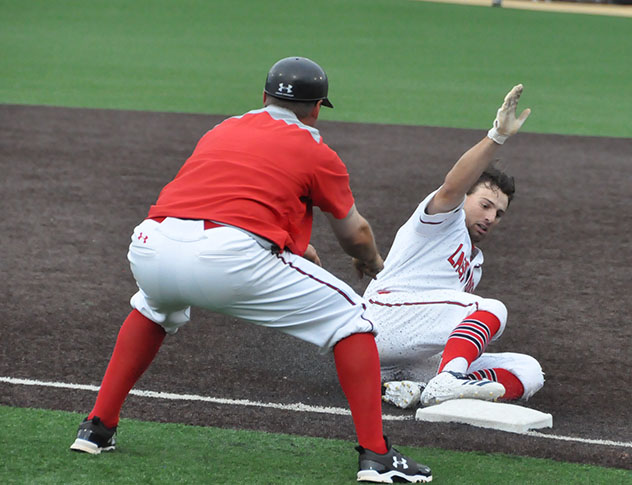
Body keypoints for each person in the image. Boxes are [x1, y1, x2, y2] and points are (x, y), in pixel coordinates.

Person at [69, 56, 432, 484]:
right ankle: (377, 456)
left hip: (151, 245)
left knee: (154, 307)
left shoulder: (224, 128)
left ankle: (96, 427)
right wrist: (371, 263)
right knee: (353, 321)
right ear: (318, 108)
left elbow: (229, 201)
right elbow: (356, 233)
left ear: (263, 97)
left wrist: (294, 251)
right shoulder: (317, 150)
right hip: (229, 258)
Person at [363, 85, 544, 409]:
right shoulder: (441, 221)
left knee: (529, 371)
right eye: (486, 205)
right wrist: (497, 136)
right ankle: (451, 380)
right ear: (466, 199)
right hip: (380, 322)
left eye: (499, 213)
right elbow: (453, 185)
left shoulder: (474, 263)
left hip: (410, 349)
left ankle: (424, 387)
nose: (492, 217)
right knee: (488, 309)